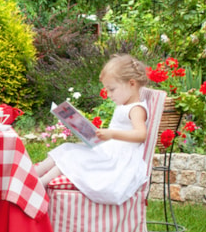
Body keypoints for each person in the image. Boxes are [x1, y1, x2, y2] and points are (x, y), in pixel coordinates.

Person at [35, 54, 150, 205]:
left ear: (132, 84)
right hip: (111, 151)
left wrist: (112, 134)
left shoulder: (136, 109)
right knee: (66, 148)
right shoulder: (125, 105)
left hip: (117, 160)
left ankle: (38, 185)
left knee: (73, 157)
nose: (108, 95)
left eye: (112, 89)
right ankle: (32, 175)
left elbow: (141, 135)